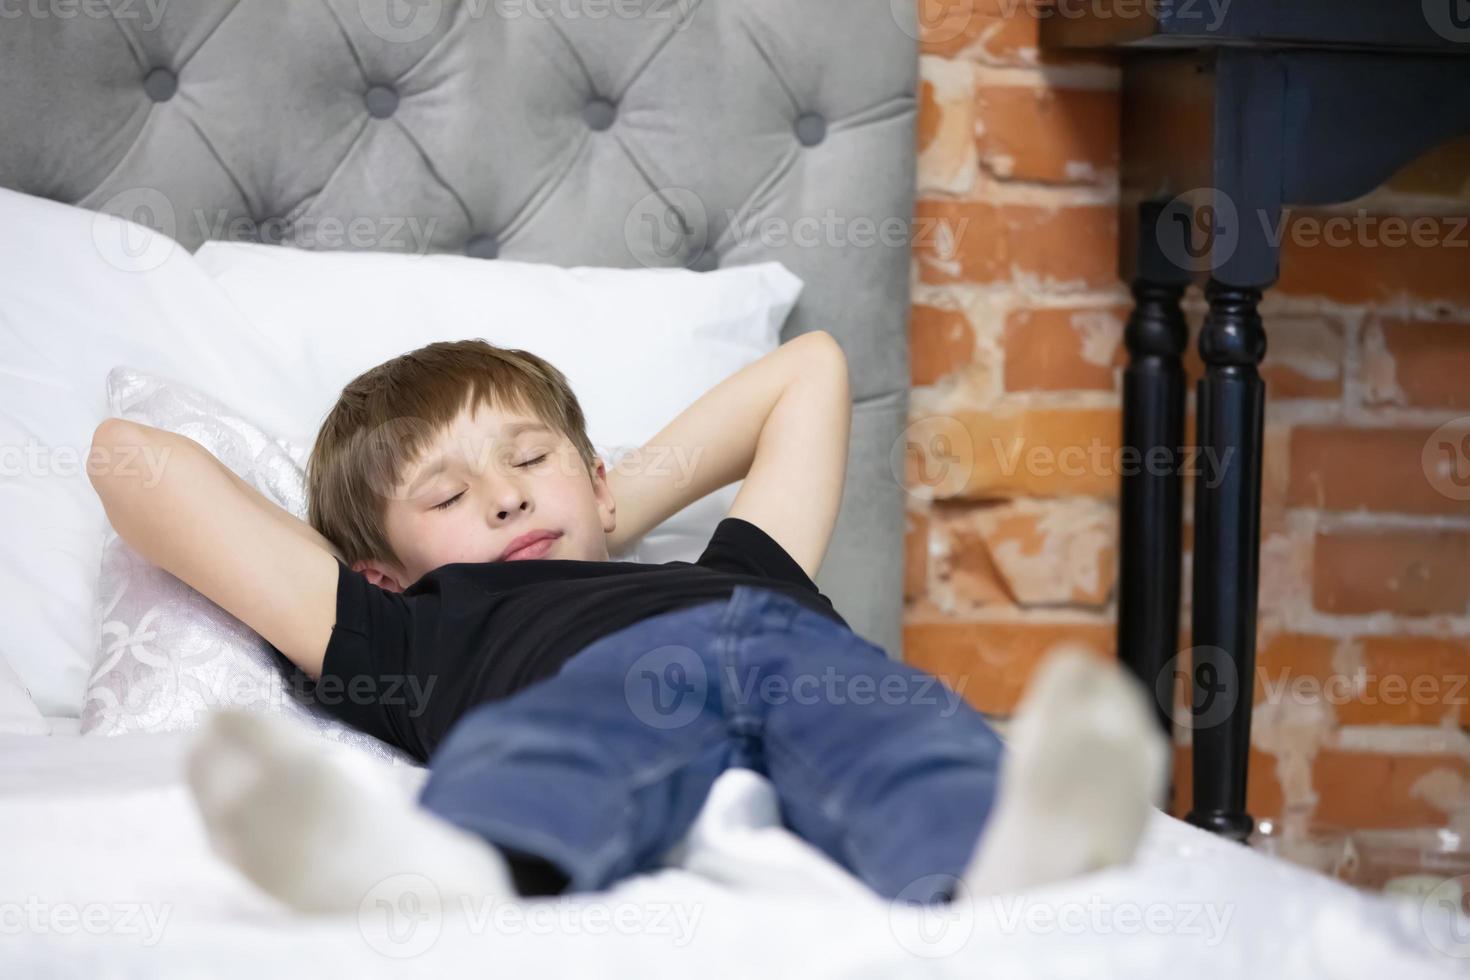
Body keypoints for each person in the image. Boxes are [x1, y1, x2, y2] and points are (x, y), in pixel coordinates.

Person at [88, 334, 1167, 913]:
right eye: (448, 495)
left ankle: (1000, 859)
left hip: (789, 643)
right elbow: (127, 458)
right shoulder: (404, 629)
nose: (506, 497)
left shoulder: (747, 564)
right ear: (378, 569)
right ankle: (450, 868)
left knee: (900, 725)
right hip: (600, 673)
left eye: (527, 460)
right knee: (567, 737)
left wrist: (597, 506)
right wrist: (425, 558)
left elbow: (812, 368)